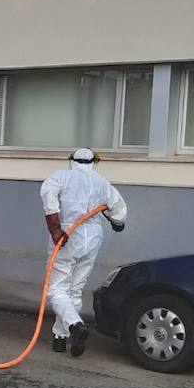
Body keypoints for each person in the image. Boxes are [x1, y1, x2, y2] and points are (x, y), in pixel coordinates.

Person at [40, 147, 127, 357]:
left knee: (58, 290)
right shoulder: (102, 183)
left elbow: (47, 193)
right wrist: (117, 222)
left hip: (68, 235)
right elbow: (119, 211)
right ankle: (60, 337)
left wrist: (54, 229)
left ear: (72, 160)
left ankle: (75, 326)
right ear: (93, 162)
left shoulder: (62, 177)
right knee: (75, 290)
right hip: (93, 237)